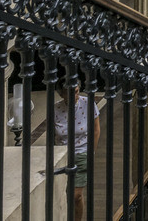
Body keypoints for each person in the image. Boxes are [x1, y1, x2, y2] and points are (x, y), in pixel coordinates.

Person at [52, 84, 101, 218]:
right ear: (62, 94)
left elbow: (96, 130)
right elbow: (52, 134)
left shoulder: (88, 104)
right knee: (61, 192)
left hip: (82, 152)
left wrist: (91, 152)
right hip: (62, 153)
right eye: (70, 93)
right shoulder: (55, 109)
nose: (75, 96)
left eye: (77, 92)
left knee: (76, 195)